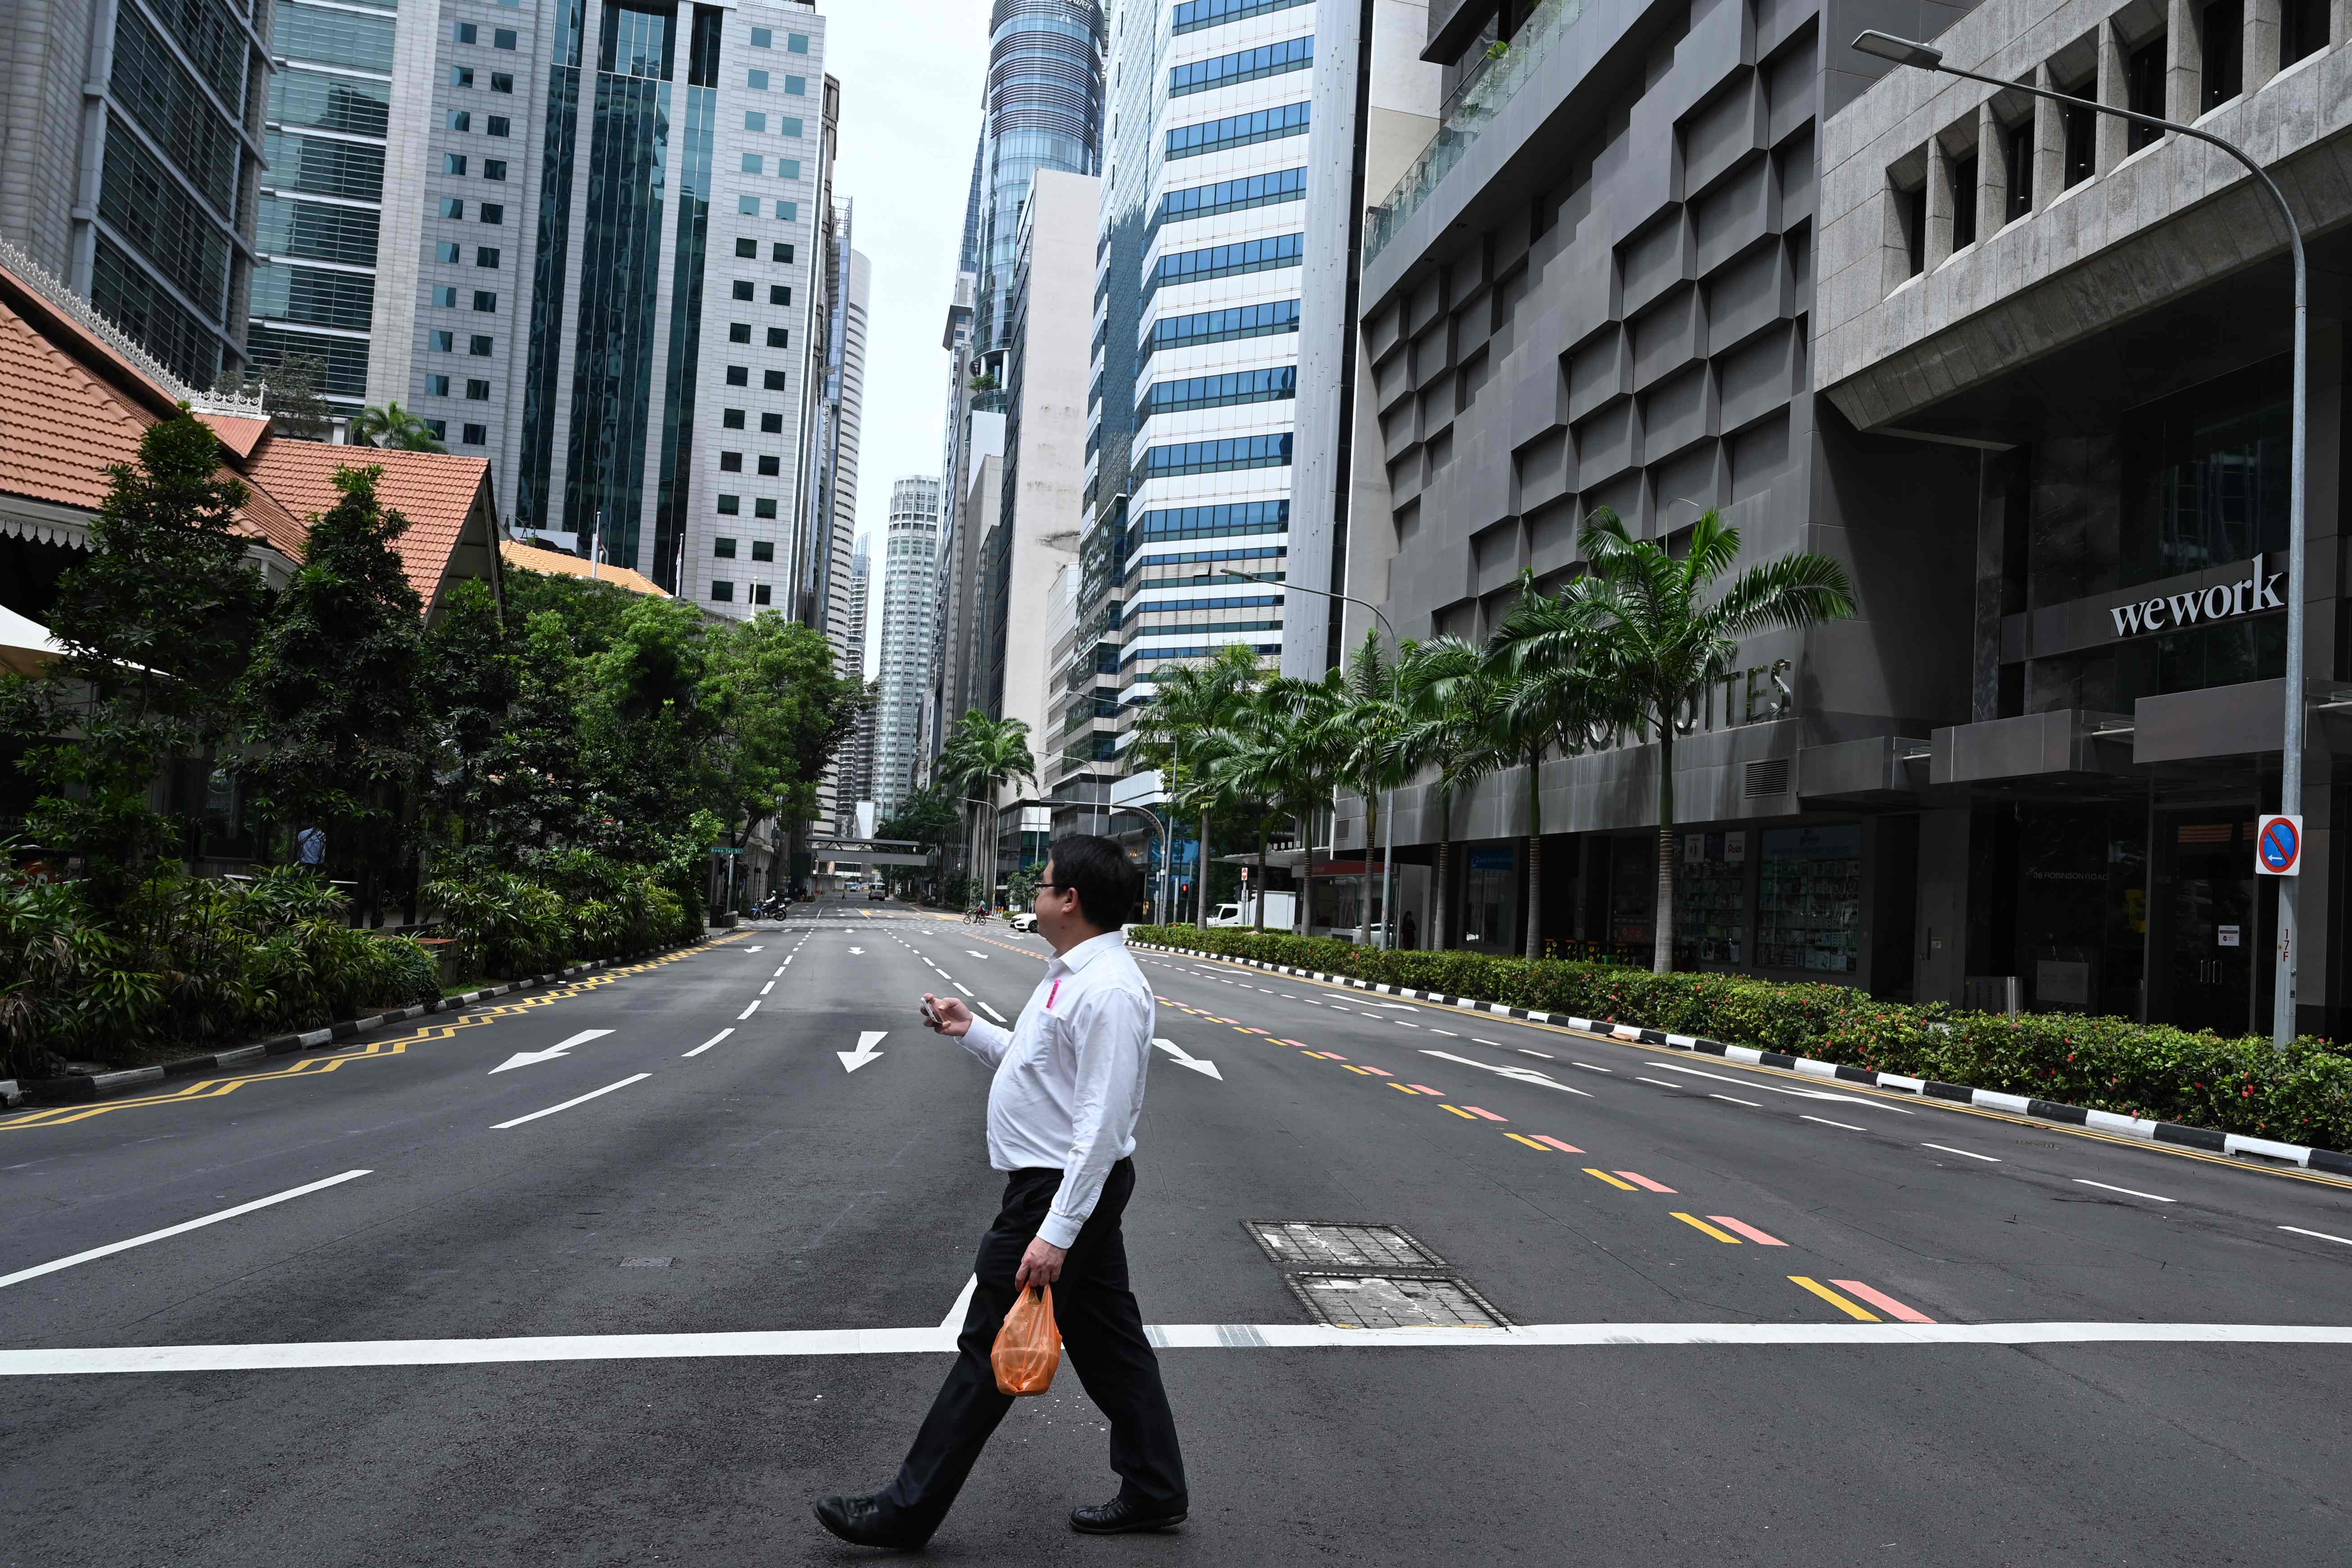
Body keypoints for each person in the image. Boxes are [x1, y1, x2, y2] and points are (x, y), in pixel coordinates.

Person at [814, 834, 1188, 1548]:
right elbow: (1040, 1067)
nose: (1034, 896)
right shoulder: (1072, 973)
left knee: (988, 1346)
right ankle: (1156, 1485)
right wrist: (971, 1030)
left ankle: (907, 1510)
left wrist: (1055, 1231)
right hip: (1060, 1185)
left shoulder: (1109, 989)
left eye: (1042, 885)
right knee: (1111, 1344)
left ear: (1070, 900)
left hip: (1057, 1190)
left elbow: (1101, 1126)